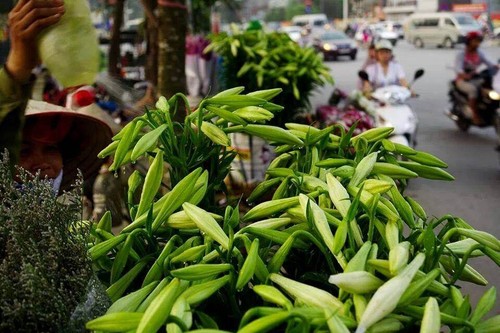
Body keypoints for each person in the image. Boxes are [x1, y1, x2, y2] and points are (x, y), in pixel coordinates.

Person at [1, 0, 112, 195]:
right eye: (24, 152)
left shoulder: (74, 215)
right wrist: (18, 66)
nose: (42, 163)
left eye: (51, 149)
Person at [454, 31, 498, 125]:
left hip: (475, 78)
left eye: (479, 41)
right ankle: (475, 115)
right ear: (469, 41)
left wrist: (496, 66)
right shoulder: (462, 54)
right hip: (462, 80)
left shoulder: (479, 53)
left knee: (489, 87)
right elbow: (458, 68)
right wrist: (464, 75)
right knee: (473, 90)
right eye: (475, 41)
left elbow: (489, 62)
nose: (477, 43)